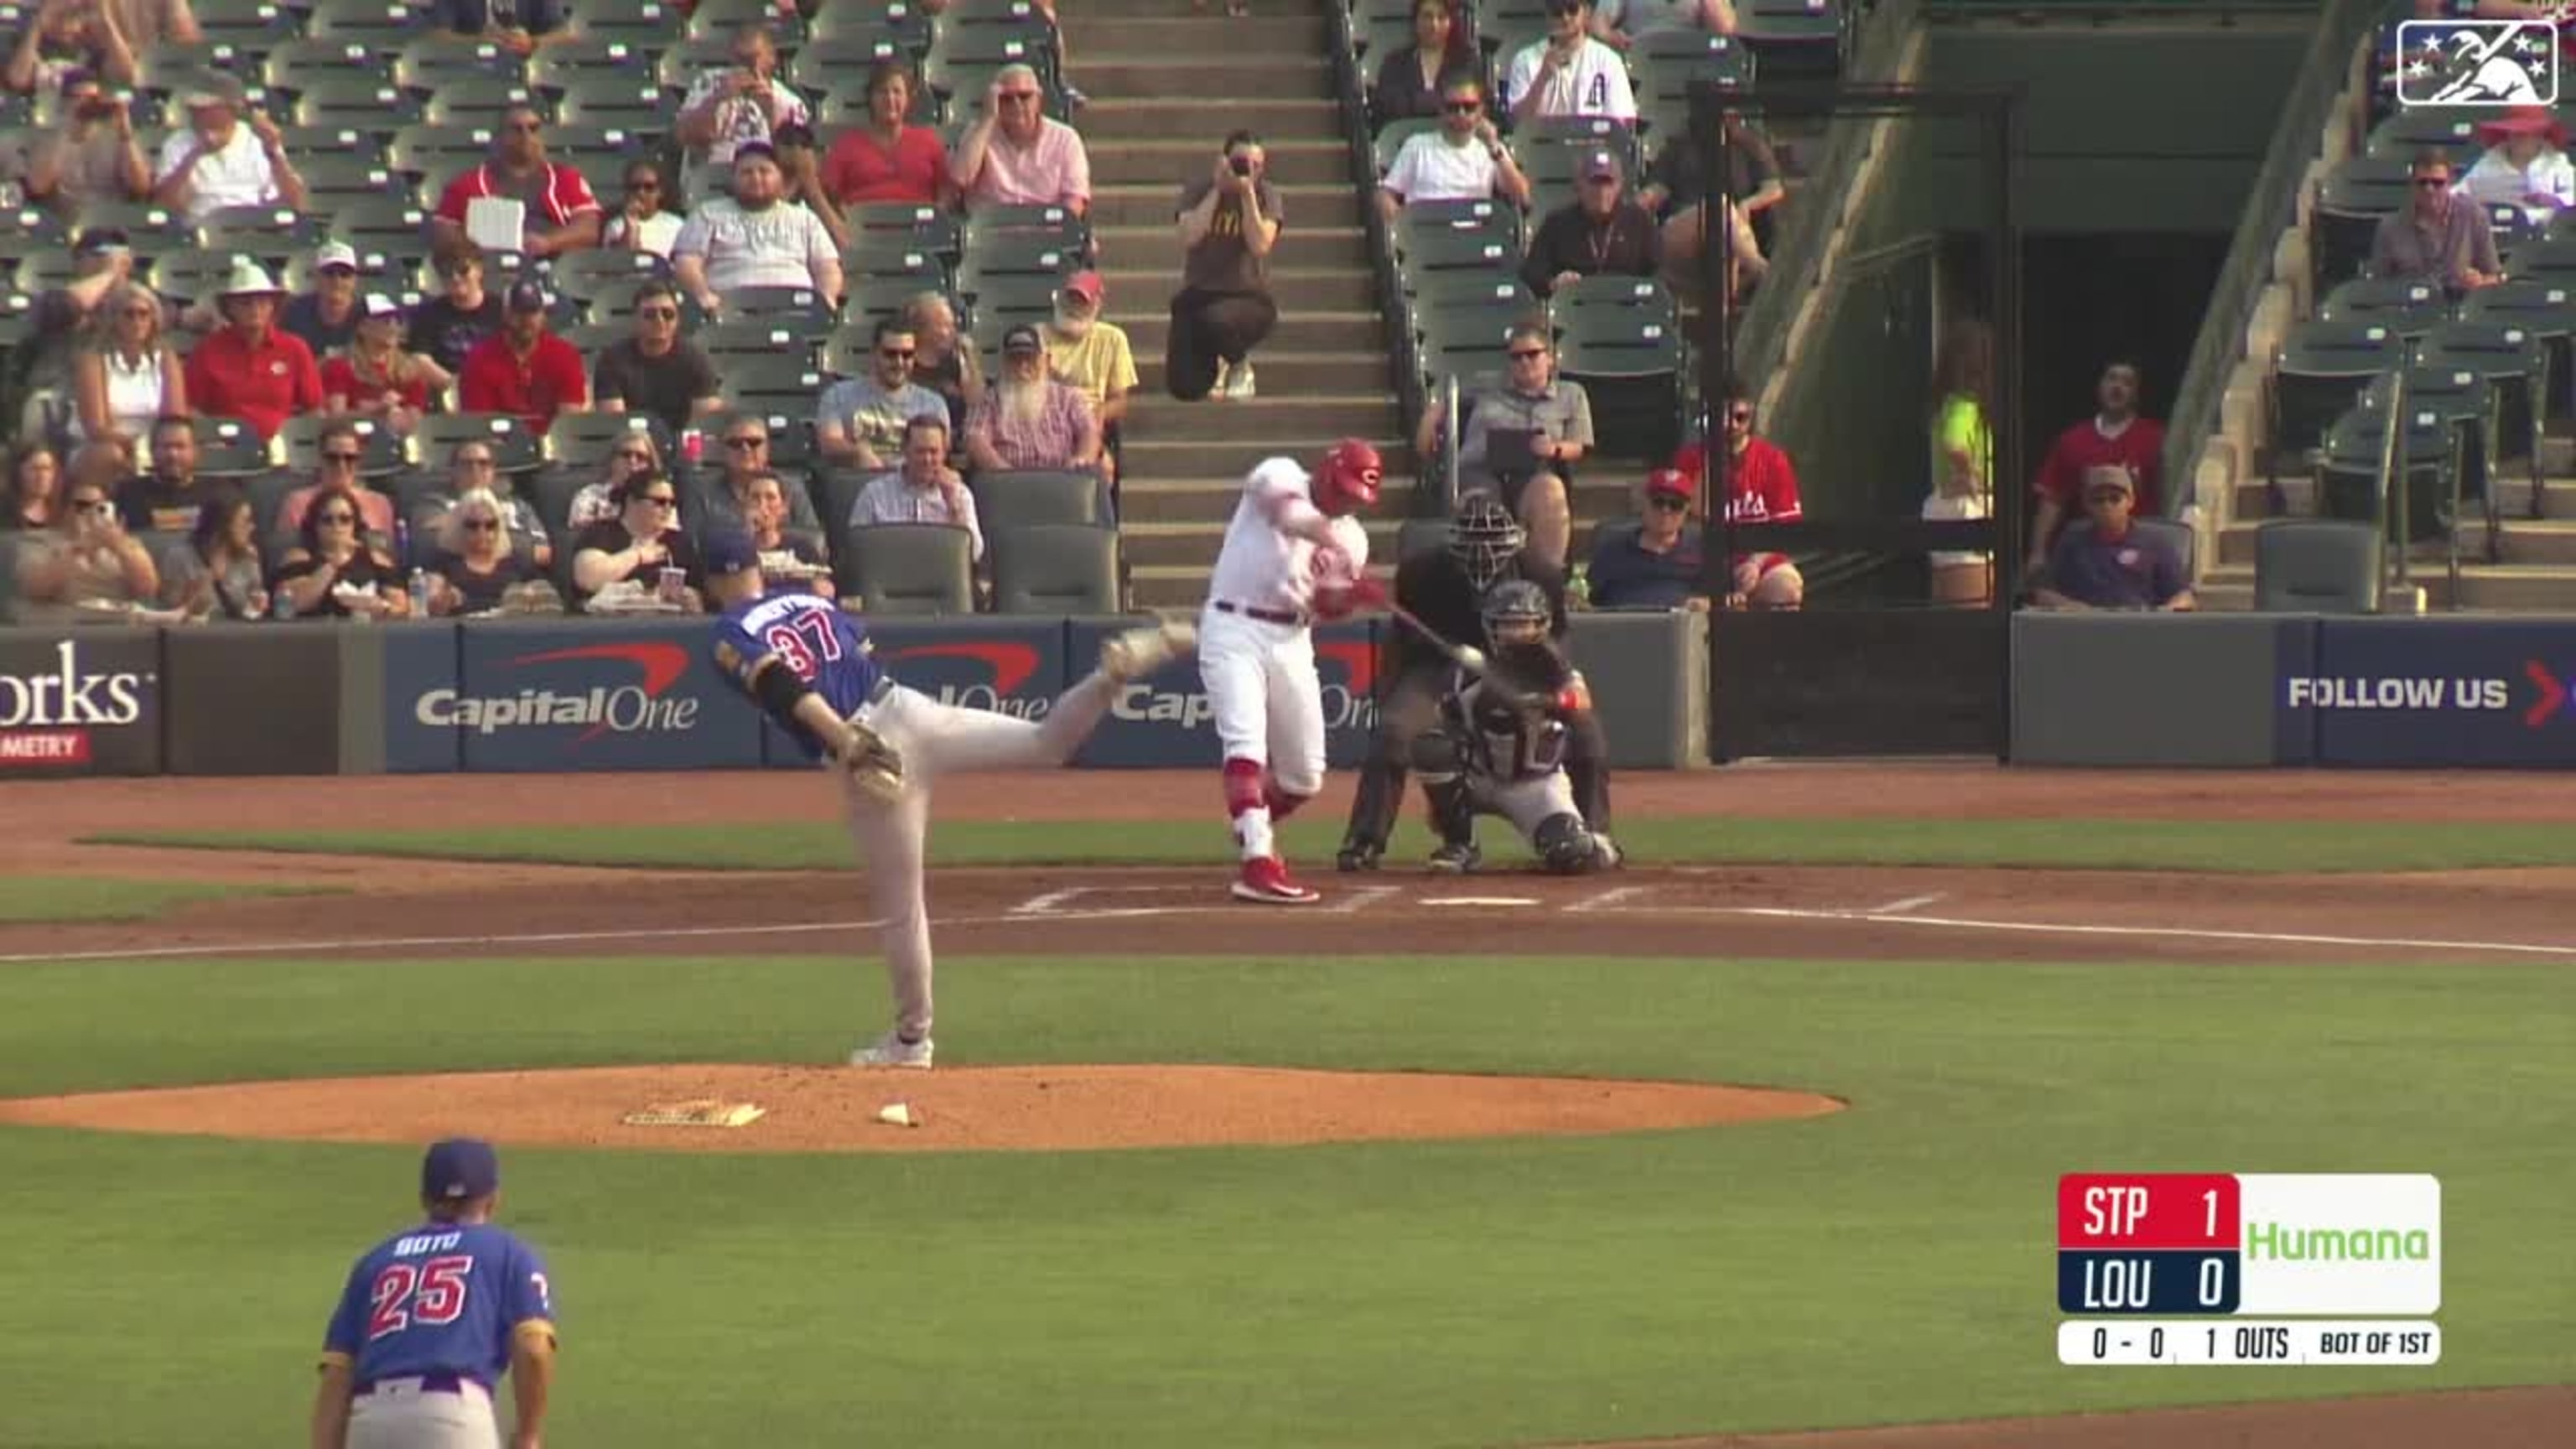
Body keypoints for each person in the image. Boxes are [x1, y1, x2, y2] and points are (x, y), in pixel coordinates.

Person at [704, 526, 1197, 1067]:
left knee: (902, 910)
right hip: (908, 708)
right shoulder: (806, 598)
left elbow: (782, 686)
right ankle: (1108, 679)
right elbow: (858, 651)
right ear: (756, 563)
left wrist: (844, 741)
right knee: (1043, 743)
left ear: (712, 577)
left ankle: (912, 1041)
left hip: (863, 742)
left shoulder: (730, 629)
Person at [1338, 492, 1613, 872]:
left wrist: (1542, 693)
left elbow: (1557, 649)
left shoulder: (1540, 572)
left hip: (1519, 668)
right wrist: (1392, 695)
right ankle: (1374, 840)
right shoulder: (1423, 573)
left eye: (1493, 545)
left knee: (1586, 732)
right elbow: (1402, 646)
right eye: (1473, 545)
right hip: (1438, 664)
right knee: (1398, 731)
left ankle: (1596, 832)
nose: (1483, 554)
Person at [1198, 439, 1385, 904]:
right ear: (1327, 472)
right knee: (1245, 743)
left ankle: (1248, 821)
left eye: (1352, 497)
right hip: (1233, 625)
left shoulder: (1355, 538)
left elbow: (1323, 606)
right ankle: (1258, 860)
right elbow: (1289, 515)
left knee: (1305, 776)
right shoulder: (1280, 472)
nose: (1343, 501)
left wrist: (1349, 597)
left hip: (1292, 639)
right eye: (1340, 489)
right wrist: (1329, 540)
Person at [309, 1139, 558, 1449]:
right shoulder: (508, 1252)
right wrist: (528, 1434)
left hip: (370, 1419)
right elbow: (533, 1350)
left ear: (425, 1199)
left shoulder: (375, 1262)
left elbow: (337, 1376)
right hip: (450, 1418)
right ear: (493, 1199)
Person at [1410, 579, 1618, 875]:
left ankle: (1593, 837)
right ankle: (1460, 843)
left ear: (1541, 625)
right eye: (1508, 625)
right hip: (1480, 777)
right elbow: (1441, 727)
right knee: (1431, 746)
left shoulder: (1552, 667)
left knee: (1571, 854)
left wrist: (1541, 700)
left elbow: (1581, 702)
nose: (1517, 632)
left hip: (1533, 784)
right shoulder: (1468, 671)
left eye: (1524, 624)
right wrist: (1441, 804)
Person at [1414, 322, 1589, 569]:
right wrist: (1431, 418)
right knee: (1483, 510)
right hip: (1479, 469)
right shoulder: (1486, 384)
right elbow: (1445, 400)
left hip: (1533, 471)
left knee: (1551, 493)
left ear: (1550, 359)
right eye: (1516, 357)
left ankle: (1547, 582)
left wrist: (1553, 448)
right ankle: (1485, 582)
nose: (1524, 362)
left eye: (1532, 354)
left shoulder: (1571, 394)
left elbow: (1579, 445)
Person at [1170, 130, 1283, 402]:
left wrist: (1247, 197)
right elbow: (1189, 236)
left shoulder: (1266, 195)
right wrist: (1218, 191)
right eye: (1241, 162)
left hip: (1248, 297)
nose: (1248, 171)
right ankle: (1214, 364)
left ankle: (1239, 364)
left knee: (1216, 319)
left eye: (1257, 166)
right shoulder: (1199, 189)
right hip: (1200, 294)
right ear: (1224, 160)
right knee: (1184, 387)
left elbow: (1260, 245)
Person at [1673, 377, 1804, 608]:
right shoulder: (1690, 459)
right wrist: (1711, 460)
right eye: (1723, 417)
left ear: (1751, 418)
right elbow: (1684, 517)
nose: (1732, 425)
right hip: (1705, 559)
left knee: (1788, 589)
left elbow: (1785, 528)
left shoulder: (1773, 460)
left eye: (1740, 418)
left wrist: (1755, 563)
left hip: (1760, 557)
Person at [671, 141, 844, 314]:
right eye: (747, 172)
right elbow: (687, 264)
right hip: (729, 311)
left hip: (796, 310)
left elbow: (827, 267)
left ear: (780, 177)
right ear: (733, 178)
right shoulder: (706, 215)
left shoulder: (805, 219)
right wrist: (704, 296)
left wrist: (827, 298)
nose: (756, 178)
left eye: (764, 171)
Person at [2028, 358, 2163, 575]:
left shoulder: (2155, 439)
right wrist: (2038, 552)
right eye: (2112, 379)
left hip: (2138, 552)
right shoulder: (2072, 441)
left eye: (2127, 382)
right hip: (2086, 555)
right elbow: (2052, 499)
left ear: (2136, 393)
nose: (2117, 387)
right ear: (2100, 386)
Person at [428, 102, 604, 265]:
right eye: (517, 129)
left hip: (554, 267)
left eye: (533, 128)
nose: (526, 136)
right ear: (500, 136)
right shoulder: (467, 185)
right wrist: (478, 248)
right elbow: (443, 232)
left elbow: (589, 228)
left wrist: (548, 242)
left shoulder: (566, 178)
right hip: (491, 273)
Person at [182, 257, 322, 443]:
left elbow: (313, 408)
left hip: (281, 448)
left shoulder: (295, 348)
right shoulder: (207, 351)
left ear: (272, 306)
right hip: (226, 448)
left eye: (262, 301)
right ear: (230, 307)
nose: (255, 308)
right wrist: (212, 439)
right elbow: (190, 408)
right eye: (246, 302)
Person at [2031, 464, 2194, 613]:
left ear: (2131, 501)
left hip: (2140, 629)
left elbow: (2184, 596)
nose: (2107, 506)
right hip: (2086, 629)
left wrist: (2164, 612)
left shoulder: (2156, 542)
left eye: (2115, 498)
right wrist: (2073, 607)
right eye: (2098, 500)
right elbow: (2044, 594)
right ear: (2086, 504)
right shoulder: (2072, 541)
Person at [1374, 75, 1532, 221]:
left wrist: (1494, 147)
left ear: (1481, 110)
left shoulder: (1492, 150)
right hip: (1426, 236)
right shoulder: (1417, 146)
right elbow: (1385, 194)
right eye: (1452, 107)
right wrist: (1404, 226)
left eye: (1469, 107)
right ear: (1441, 109)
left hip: (1472, 238)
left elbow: (1522, 196)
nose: (1461, 113)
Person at [149, 79, 303, 223]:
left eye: (205, 108)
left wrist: (272, 152)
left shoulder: (257, 140)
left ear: (230, 108)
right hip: (202, 231)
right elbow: (166, 207)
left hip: (253, 228)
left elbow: (293, 201)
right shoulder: (178, 143)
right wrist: (195, 155)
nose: (196, 113)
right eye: (193, 108)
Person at [12, 468, 158, 619]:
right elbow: (36, 589)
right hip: (68, 623)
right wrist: (77, 549)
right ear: (64, 509)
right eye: (82, 506)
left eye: (99, 507)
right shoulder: (39, 542)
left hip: (119, 622)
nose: (91, 512)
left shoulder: (124, 543)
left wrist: (119, 547)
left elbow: (147, 589)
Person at [949, 64, 1092, 217]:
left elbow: (1075, 199)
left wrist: (1053, 230)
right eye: (1006, 99)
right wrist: (988, 118)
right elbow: (961, 178)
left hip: (1046, 229)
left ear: (1038, 99)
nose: (1016, 104)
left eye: (1024, 96)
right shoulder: (978, 133)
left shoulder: (1066, 139)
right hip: (991, 231)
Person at [1041, 270, 1138, 493]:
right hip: (1049, 415)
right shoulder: (1039, 336)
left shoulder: (1113, 339)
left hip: (1091, 418)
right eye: (1070, 298)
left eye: (1081, 300)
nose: (1074, 307)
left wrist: (1100, 413)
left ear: (1096, 305)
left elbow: (1121, 401)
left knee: (1102, 464)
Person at [1519, 148, 1660, 299]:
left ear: (1619, 185)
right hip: (1575, 309)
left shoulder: (1638, 222)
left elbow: (1659, 271)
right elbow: (1531, 275)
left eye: (1608, 183)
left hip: (1627, 306)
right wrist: (1553, 283)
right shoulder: (1557, 224)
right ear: (1580, 185)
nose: (1601, 191)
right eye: (1594, 183)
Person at [70, 279, 184, 461]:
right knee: (112, 455)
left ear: (153, 319)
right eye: (128, 314)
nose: (136, 321)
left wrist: (152, 450)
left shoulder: (166, 359)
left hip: (155, 449)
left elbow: (174, 419)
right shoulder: (93, 360)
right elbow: (96, 428)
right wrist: (134, 448)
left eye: (143, 314)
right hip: (100, 447)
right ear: (114, 319)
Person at [816, 316, 949, 471]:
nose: (899, 362)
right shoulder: (838, 395)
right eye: (890, 354)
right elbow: (829, 443)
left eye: (907, 355)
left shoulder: (932, 404)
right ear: (874, 353)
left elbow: (940, 453)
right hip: (858, 481)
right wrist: (857, 453)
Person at [591, 280, 722, 436]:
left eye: (668, 314)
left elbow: (704, 423)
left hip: (682, 445)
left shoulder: (696, 359)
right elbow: (614, 425)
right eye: (650, 315)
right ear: (636, 319)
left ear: (678, 320)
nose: (660, 321)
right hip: (633, 446)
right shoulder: (612, 360)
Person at [966, 324, 1100, 474]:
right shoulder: (989, 401)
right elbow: (976, 438)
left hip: (1063, 481)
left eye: (1030, 358)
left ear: (1045, 361)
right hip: (1008, 483)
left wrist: (1081, 458)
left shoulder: (1067, 398)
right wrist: (1002, 472)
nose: (1023, 366)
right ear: (1003, 363)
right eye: (1015, 359)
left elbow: (1089, 430)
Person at [1926, 317, 1996, 607]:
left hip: (1958, 507)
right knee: (1972, 610)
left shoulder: (1952, 404)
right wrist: (1969, 473)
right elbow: (1954, 443)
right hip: (1965, 507)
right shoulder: (1963, 407)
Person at [457, 281, 589, 431]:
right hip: (499, 445)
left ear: (544, 315)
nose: (526, 319)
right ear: (506, 314)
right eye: (519, 312)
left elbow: (569, 421)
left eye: (533, 311)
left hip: (554, 445)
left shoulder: (565, 355)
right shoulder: (480, 359)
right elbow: (480, 425)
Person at [850, 415, 984, 564]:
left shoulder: (960, 494)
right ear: (905, 450)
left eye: (934, 452)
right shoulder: (873, 494)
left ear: (944, 453)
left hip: (942, 578)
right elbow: (856, 551)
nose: (927, 459)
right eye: (920, 451)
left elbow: (974, 554)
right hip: (890, 576)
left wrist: (953, 507)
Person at [675, 22, 808, 169]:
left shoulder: (790, 102)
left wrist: (770, 113)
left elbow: (794, 163)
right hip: (711, 177)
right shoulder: (708, 82)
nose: (750, 67)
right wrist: (719, 98)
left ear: (772, 57)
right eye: (742, 60)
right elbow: (684, 136)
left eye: (755, 58)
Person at [2371, 148, 2501, 296]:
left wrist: (2480, 283)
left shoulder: (2475, 216)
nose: (2429, 189)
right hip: (2409, 308)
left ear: (2450, 183)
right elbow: (2379, 286)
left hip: (2460, 305)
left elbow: (2494, 276)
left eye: (2437, 183)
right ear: (2413, 184)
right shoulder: (2390, 227)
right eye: (2422, 182)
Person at [823, 60, 951, 210]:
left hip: (917, 229)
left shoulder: (929, 141)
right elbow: (827, 192)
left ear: (908, 99)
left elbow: (946, 189)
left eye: (897, 92)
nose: (890, 99)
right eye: (882, 91)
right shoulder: (847, 145)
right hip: (863, 229)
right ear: (870, 98)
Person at [23, 66, 149, 216]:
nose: (87, 104)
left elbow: (140, 186)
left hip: (112, 217)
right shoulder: (49, 138)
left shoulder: (116, 137)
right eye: (80, 97)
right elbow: (38, 186)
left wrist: (125, 133)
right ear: (64, 101)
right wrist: (68, 126)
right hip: (65, 219)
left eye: (92, 98)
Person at [323, 294, 453, 438]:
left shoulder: (410, 369)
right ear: (362, 327)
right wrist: (377, 410)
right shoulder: (341, 366)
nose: (392, 326)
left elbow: (413, 419)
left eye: (396, 320)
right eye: (384, 320)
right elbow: (335, 418)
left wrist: (392, 413)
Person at [273, 481, 408, 620]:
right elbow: (296, 603)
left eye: (345, 519)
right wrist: (332, 565)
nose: (336, 526)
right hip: (314, 634)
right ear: (315, 525)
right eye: (327, 520)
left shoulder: (375, 559)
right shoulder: (299, 557)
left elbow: (402, 608)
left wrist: (380, 607)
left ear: (354, 524)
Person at [570, 473, 702, 612]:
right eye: (660, 502)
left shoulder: (679, 542)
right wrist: (638, 555)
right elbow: (588, 580)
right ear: (632, 501)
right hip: (609, 624)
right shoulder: (601, 533)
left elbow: (698, 591)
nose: (668, 508)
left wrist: (693, 597)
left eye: (673, 503)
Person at [1584, 468, 1707, 610]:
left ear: (1687, 510)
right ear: (1644, 503)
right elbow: (1587, 599)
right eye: (1658, 502)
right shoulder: (1612, 550)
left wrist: (1707, 603)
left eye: (1676, 505)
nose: (1666, 510)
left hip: (1682, 628)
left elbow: (1729, 598)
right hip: (1621, 627)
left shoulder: (1702, 549)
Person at [1503, 0, 1636, 127]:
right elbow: (1517, 123)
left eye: (1572, 9)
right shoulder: (1525, 59)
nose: (1565, 17)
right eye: (1557, 11)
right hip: (1542, 146)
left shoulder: (1608, 61)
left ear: (1587, 13)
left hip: (1592, 146)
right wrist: (1542, 77)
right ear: (1548, 15)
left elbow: (1621, 123)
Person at [423, 486, 541, 616]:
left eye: (490, 525)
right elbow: (432, 607)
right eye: (473, 525)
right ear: (459, 527)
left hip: (511, 628)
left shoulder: (518, 559)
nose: (482, 532)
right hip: (464, 629)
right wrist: (445, 600)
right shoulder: (443, 559)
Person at [162, 487, 266, 620]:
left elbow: (252, 614)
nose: (252, 527)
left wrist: (257, 605)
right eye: (246, 521)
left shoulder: (247, 558)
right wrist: (207, 582)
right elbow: (171, 615)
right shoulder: (179, 558)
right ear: (223, 527)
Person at [2457, 105, 2574, 221]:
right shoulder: (2488, 161)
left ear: (2540, 136)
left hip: (2544, 232)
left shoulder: (2556, 162)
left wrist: (2555, 200)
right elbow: (2458, 193)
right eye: (2514, 132)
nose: (2519, 139)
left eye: (2526, 133)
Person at [1370, 0, 1475, 127]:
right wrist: (1443, 102)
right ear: (1416, 21)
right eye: (1427, 16)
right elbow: (1389, 107)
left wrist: (1415, 101)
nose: (1434, 25)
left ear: (1451, 22)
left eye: (1441, 17)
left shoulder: (1466, 62)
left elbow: (1468, 106)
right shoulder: (1394, 63)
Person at [408, 245, 505, 380]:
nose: (455, 278)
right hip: (448, 390)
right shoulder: (429, 314)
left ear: (479, 270)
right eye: (446, 272)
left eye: (463, 270)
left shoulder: (503, 310)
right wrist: (455, 385)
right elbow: (420, 359)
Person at [905, 291, 984, 435]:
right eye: (945, 326)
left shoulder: (957, 362)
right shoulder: (904, 362)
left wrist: (969, 357)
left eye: (953, 325)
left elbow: (977, 404)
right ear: (923, 329)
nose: (953, 332)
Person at [117, 413, 208, 532]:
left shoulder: (219, 494)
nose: (172, 454)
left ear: (196, 452)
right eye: (166, 446)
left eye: (180, 447)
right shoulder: (127, 494)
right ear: (151, 450)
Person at [600, 160, 682, 257]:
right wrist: (631, 228)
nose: (641, 193)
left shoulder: (677, 226)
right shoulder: (615, 227)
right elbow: (620, 261)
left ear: (661, 192)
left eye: (649, 187)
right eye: (635, 187)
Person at [435, 0, 569, 54]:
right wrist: (477, 41)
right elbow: (440, 36)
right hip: (473, 64)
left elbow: (563, 33)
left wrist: (532, 42)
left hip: (526, 65)